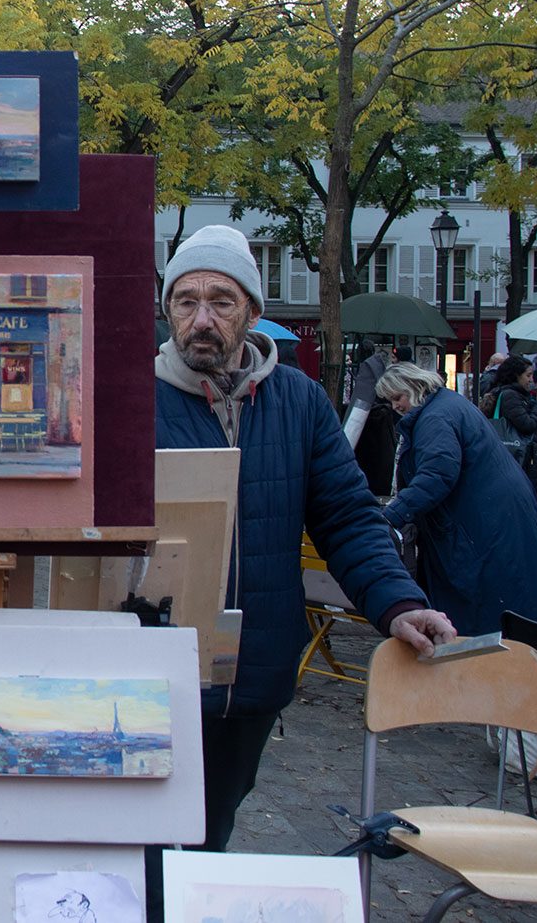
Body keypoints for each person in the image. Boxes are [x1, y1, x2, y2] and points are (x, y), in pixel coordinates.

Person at [153, 225, 454, 870]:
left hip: (256, 663)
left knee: (212, 827)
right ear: (167, 309)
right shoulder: (132, 399)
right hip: (154, 659)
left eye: (221, 301)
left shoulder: (299, 400)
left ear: (253, 313)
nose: (201, 318)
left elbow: (346, 517)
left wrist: (398, 602)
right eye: (186, 300)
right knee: (143, 833)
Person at [376, 363, 537, 634]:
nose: (396, 406)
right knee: (510, 595)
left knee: (490, 601)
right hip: (493, 510)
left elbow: (437, 475)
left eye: (398, 397)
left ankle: (496, 654)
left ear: (415, 388)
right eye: (390, 400)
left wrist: (391, 515)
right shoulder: (444, 405)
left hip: (483, 517)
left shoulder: (435, 417)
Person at [490, 355, 537, 501]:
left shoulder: (518, 395)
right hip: (514, 456)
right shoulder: (510, 395)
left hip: (516, 458)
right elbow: (527, 425)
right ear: (516, 375)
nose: (531, 379)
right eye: (528, 375)